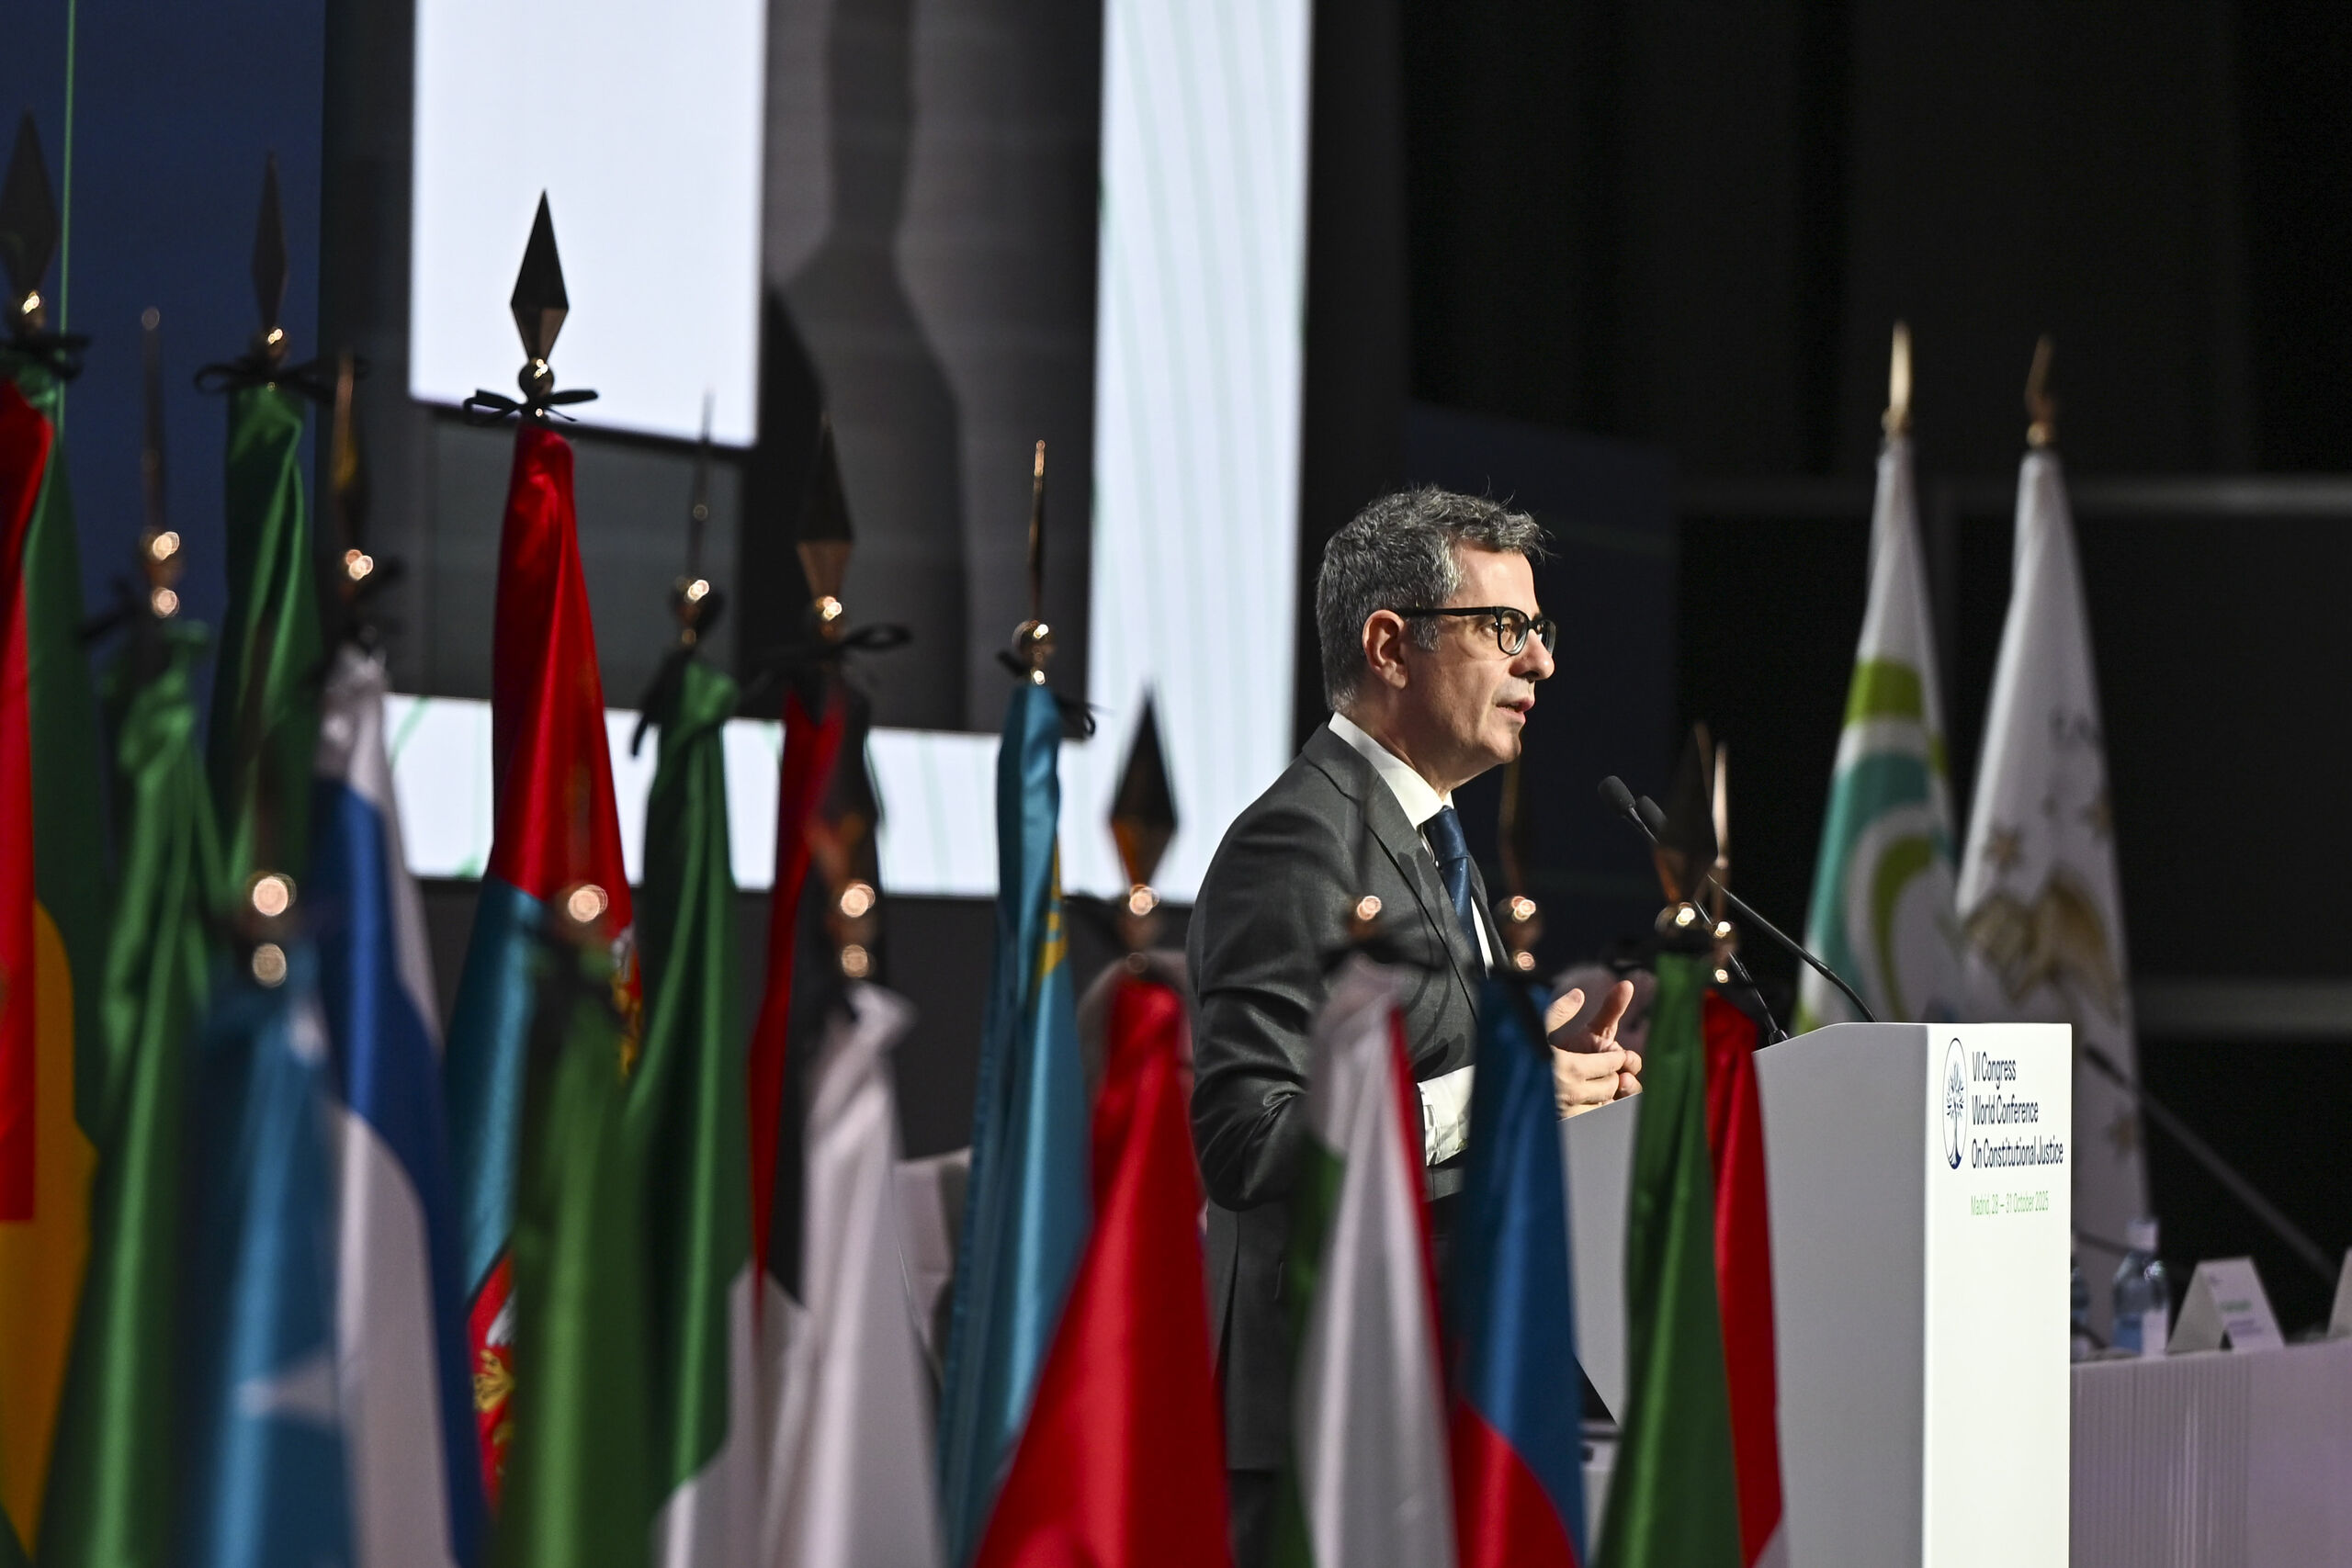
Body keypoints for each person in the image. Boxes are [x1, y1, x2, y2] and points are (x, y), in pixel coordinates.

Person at [1189, 487, 1642, 1566]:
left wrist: (1543, 1094)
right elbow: (1244, 1140)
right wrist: (1502, 1095)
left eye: (1539, 629)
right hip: (1320, 1422)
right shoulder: (1297, 840)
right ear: (1390, 646)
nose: (1540, 662)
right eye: (1504, 628)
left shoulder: (1432, 837)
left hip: (1430, 1381)